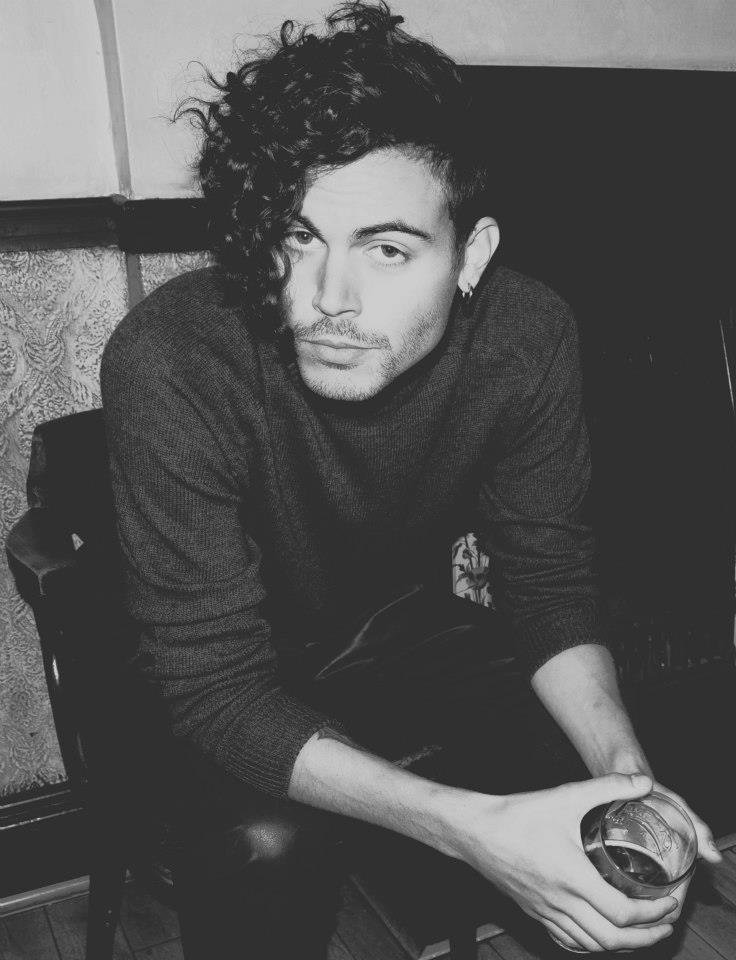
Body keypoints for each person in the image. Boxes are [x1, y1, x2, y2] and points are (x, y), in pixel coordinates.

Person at [100, 3, 720, 957]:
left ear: (472, 256)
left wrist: (625, 774)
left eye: (387, 249)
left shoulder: (528, 337)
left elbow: (547, 581)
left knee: (589, 803)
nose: (326, 300)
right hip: (213, 670)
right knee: (265, 842)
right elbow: (215, 684)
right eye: (297, 237)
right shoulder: (172, 354)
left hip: (387, 631)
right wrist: (470, 829)